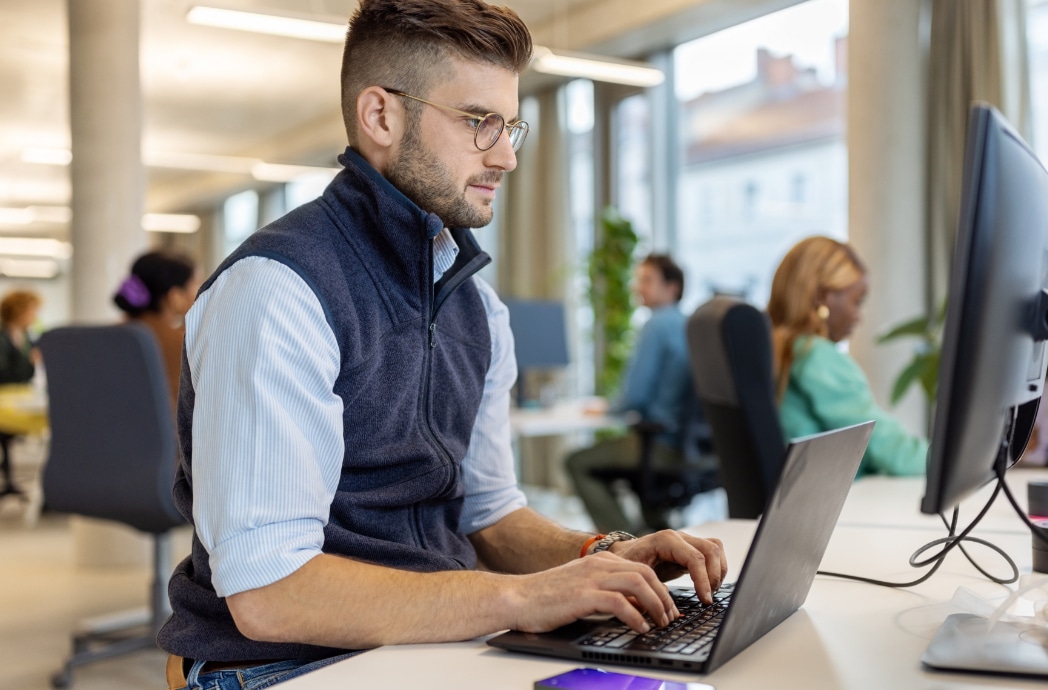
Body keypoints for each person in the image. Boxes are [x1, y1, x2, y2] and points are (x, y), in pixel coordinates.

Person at [157, 2, 726, 687]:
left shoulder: (478, 307)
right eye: (477, 122)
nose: (507, 155)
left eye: (509, 125)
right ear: (381, 116)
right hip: (284, 664)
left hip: (435, 639)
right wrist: (522, 597)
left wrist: (605, 552)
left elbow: (489, 513)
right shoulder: (278, 291)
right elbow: (270, 594)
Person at [767, 236, 927, 478]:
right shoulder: (815, 357)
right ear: (822, 297)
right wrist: (962, 463)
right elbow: (891, 450)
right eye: (857, 301)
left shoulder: (777, 349)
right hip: (837, 503)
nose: (858, 317)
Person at [566, 254, 694, 534]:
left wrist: (607, 408)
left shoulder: (657, 325)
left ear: (672, 287)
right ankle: (655, 533)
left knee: (576, 461)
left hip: (660, 444)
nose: (638, 287)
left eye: (647, 280)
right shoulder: (690, 325)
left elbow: (634, 397)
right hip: (690, 446)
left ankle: (626, 544)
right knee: (632, 473)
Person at [112, 250, 199, 412]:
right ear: (175, 296)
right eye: (195, 283)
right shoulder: (183, 345)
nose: (200, 291)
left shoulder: (109, 337)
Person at [0, 289, 41, 385]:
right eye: (32, 311)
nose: (35, 316)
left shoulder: (25, 337)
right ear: (19, 312)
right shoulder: (3, 338)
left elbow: (27, 374)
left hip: (19, 391)